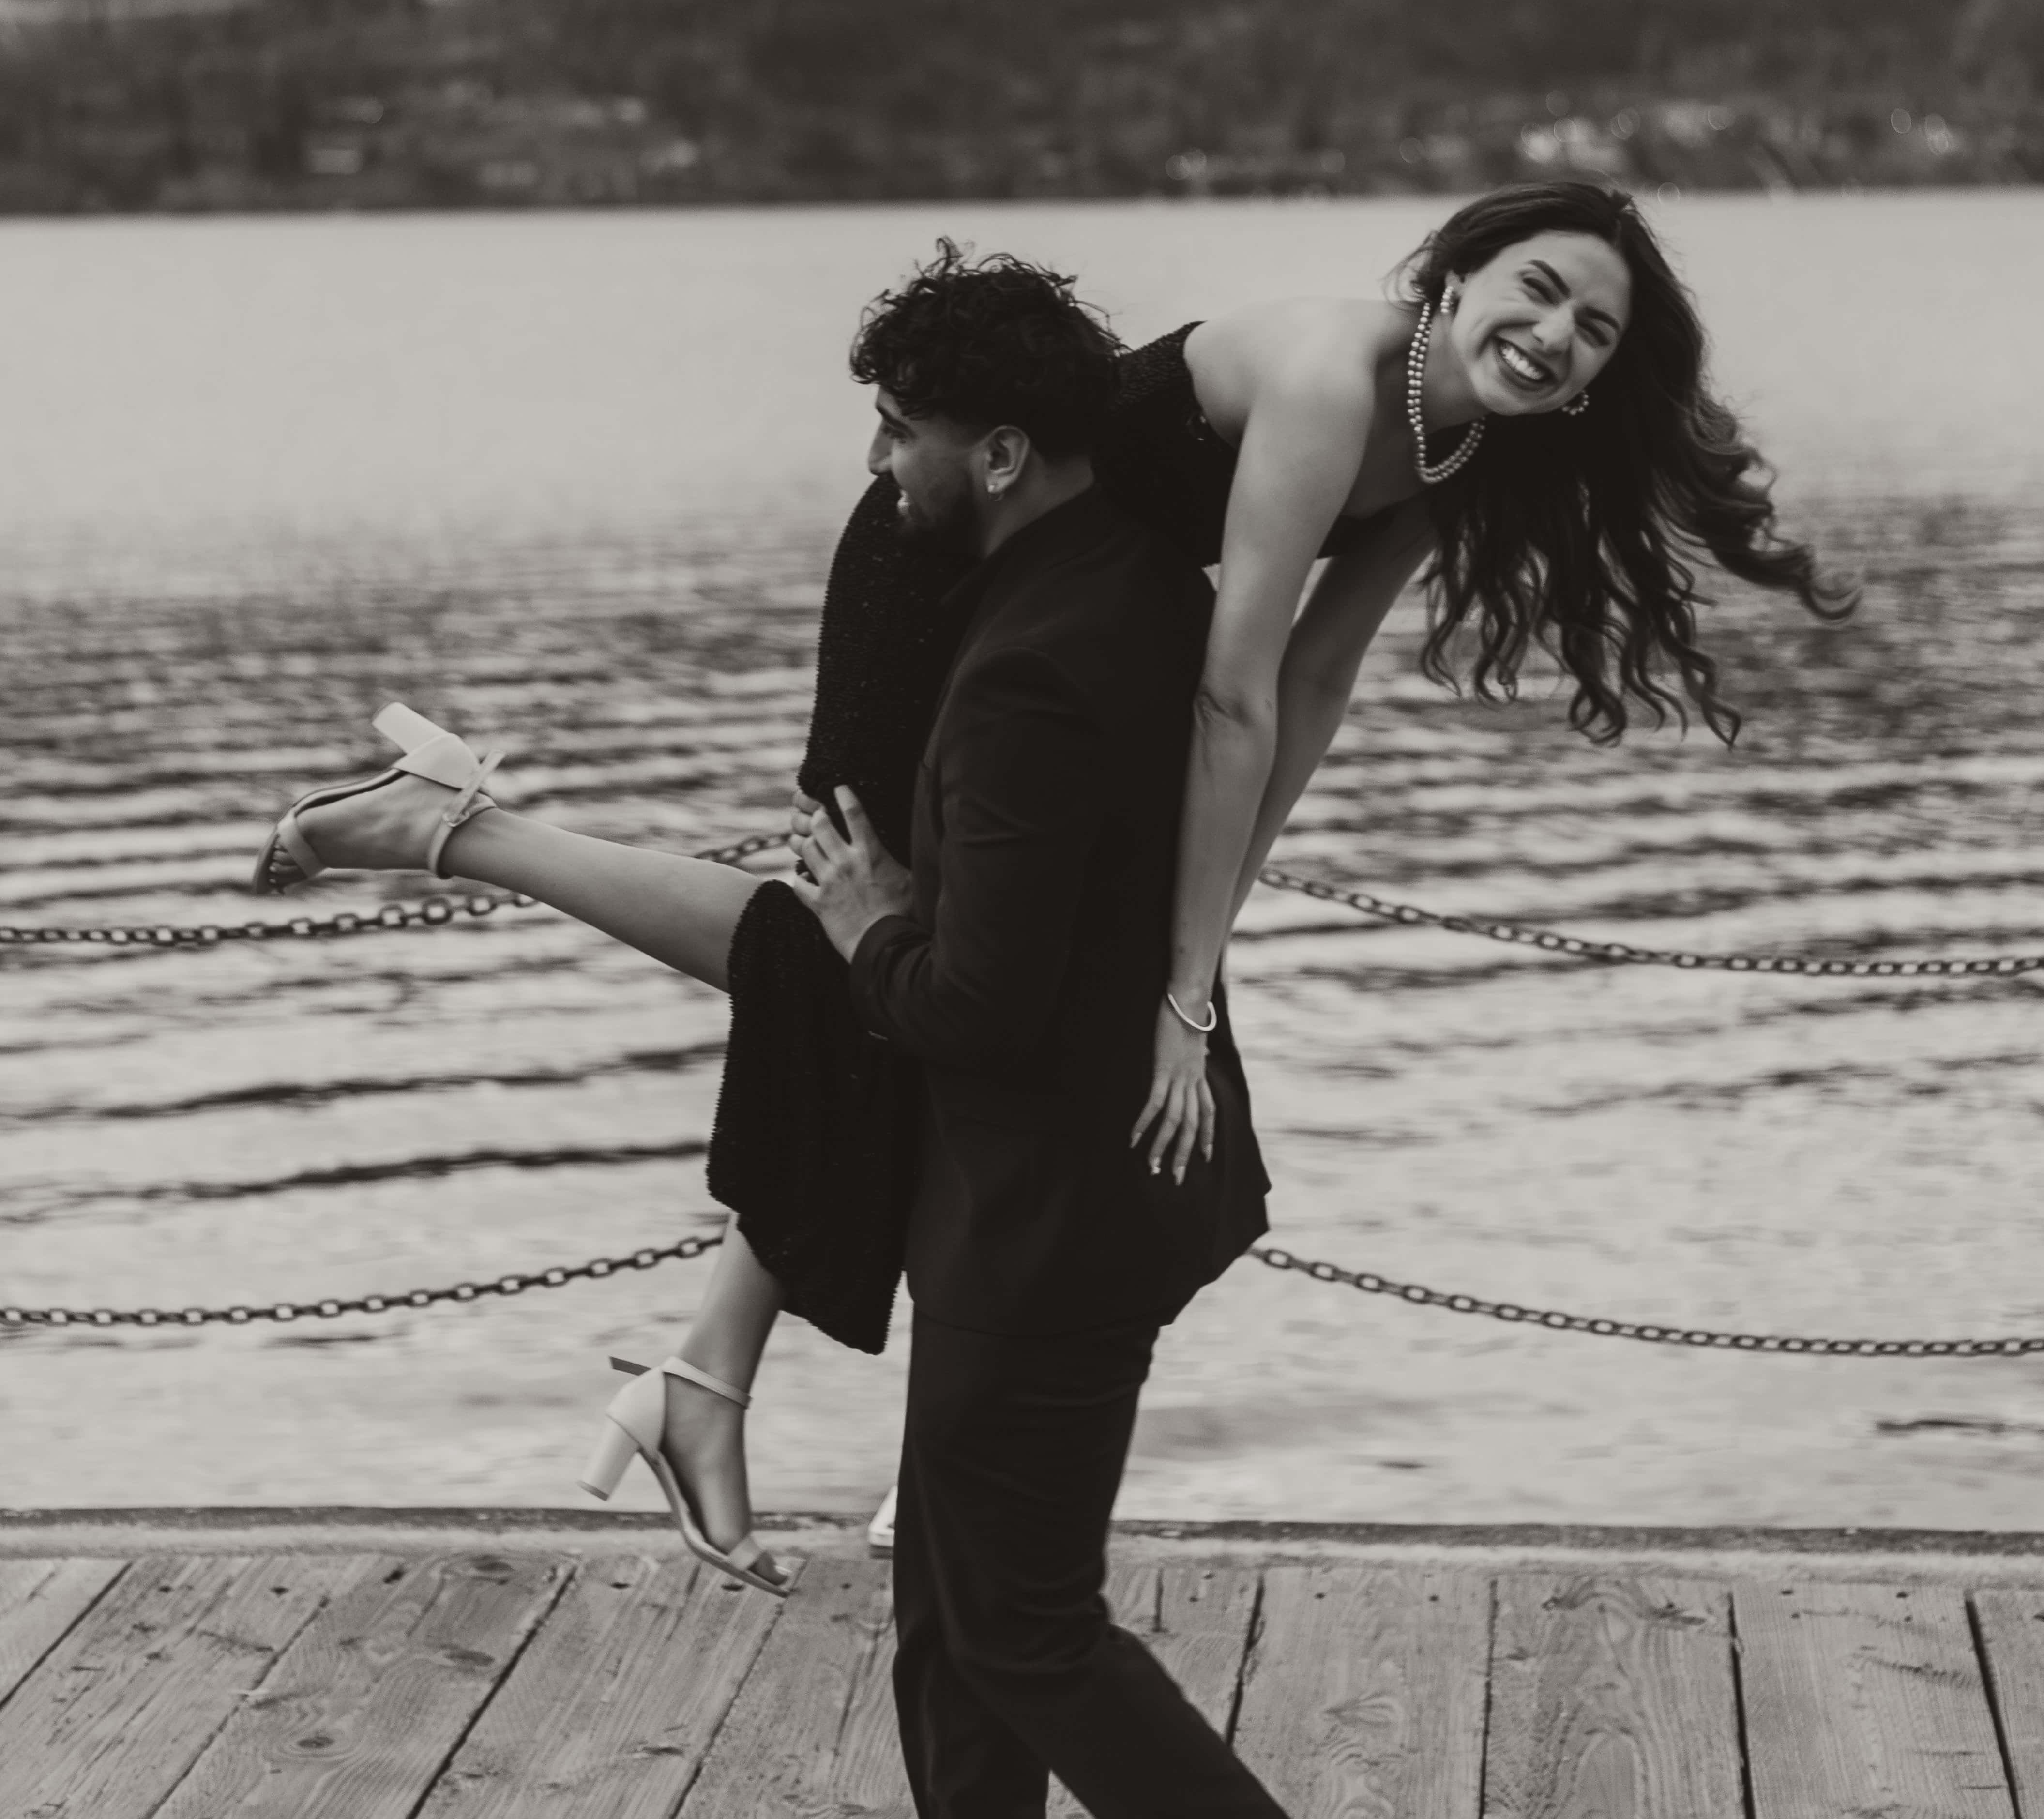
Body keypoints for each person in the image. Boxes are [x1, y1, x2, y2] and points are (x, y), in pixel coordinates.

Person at [252, 248, 1517, 1819]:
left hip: (1064, 1205)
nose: (877, 461)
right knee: (948, 1578)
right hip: (1050, 1181)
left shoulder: (1028, 667)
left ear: (999, 450)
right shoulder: (1085, 592)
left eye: (897, 432)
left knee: (1022, 1620)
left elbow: (974, 1007)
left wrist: (861, 931)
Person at [530, 181, 1848, 1563]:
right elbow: (1233, 694)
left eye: (1593, 326)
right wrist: (1186, 981)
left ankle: (740, 1387)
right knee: (900, 962)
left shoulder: (1456, 445)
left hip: (1076, 638)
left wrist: (1205, 931)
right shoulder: (1336, 380)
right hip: (948, 572)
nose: (1556, 332)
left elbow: (1314, 675)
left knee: (955, 995)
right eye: (1537, 287)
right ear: (1455, 277)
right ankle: (779, 1397)